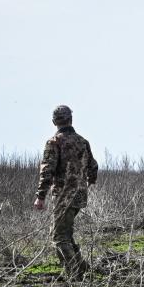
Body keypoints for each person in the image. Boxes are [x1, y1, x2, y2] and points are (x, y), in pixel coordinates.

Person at [34, 105, 98, 274]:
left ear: (54, 121)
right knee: (65, 233)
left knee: (58, 237)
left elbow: (47, 169)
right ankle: (83, 268)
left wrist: (41, 196)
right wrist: (87, 182)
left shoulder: (54, 142)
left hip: (63, 195)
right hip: (80, 195)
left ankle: (76, 271)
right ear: (70, 119)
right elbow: (93, 166)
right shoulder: (82, 142)